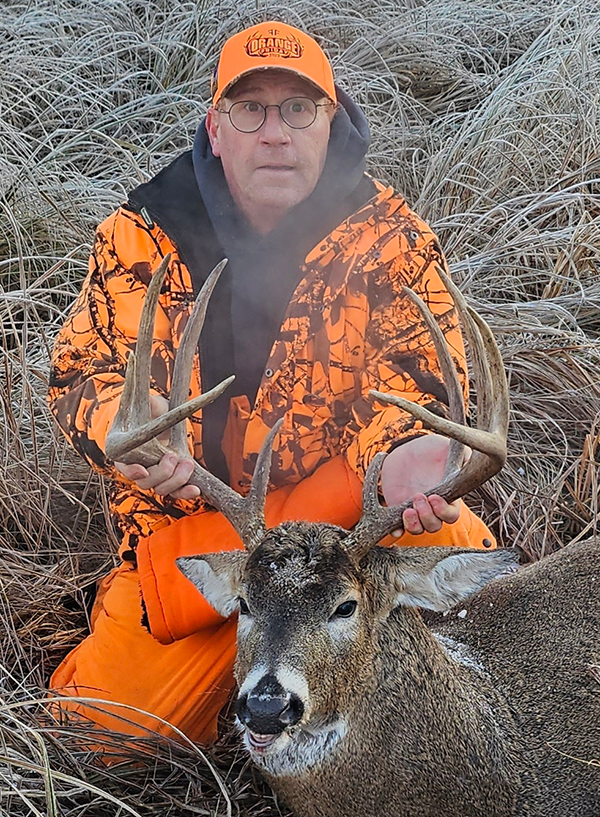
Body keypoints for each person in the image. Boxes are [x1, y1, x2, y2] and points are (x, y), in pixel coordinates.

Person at [48, 20, 496, 744]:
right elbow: (82, 372)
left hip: (350, 538)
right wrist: (122, 428)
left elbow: (415, 385)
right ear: (215, 127)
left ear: (332, 119)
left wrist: (409, 449)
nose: (275, 133)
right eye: (250, 108)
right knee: (100, 732)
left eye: (298, 108)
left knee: (489, 610)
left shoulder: (393, 243)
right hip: (201, 551)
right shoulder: (139, 240)